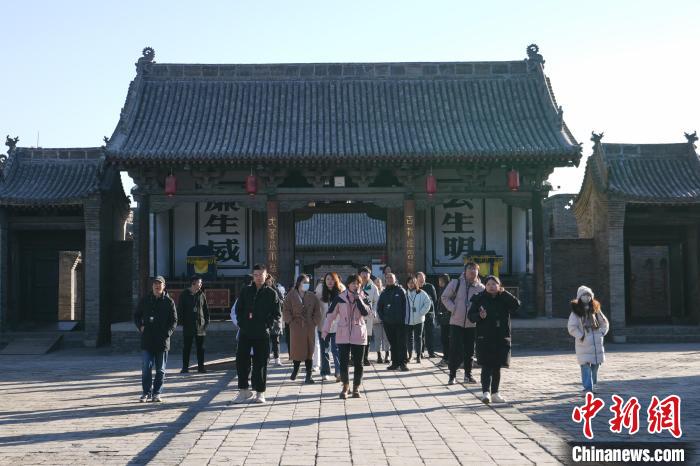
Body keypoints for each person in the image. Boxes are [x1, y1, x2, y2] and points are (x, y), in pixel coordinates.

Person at [233, 264, 282, 404]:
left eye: (261, 274)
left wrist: (268, 324)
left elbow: (277, 314)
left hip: (262, 333)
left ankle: (260, 392)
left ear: (266, 276)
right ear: (253, 276)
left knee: (260, 363)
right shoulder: (246, 290)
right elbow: (238, 309)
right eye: (256, 275)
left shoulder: (271, 293)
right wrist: (242, 323)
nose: (258, 277)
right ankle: (243, 390)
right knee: (241, 361)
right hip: (245, 331)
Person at [468, 275, 520, 404]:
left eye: (494, 284)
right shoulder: (479, 298)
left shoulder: (504, 297)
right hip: (484, 337)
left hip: (501, 336)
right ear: (485, 286)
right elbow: (471, 316)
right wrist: (479, 315)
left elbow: (516, 305)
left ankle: (495, 393)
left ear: (499, 285)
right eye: (488, 284)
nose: (491, 287)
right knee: (486, 365)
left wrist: (505, 293)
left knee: (497, 366)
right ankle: (486, 392)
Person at [322, 274, 371, 399]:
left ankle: (356, 387)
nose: (356, 285)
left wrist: (358, 299)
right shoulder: (340, 298)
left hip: (359, 333)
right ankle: (345, 386)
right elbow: (330, 315)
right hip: (343, 334)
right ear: (348, 284)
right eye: (353, 283)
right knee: (343, 362)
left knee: (359, 363)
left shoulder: (364, 296)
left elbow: (367, 312)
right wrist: (325, 331)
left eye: (358, 283)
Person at [134, 276, 178, 402]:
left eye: (160, 284)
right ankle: (146, 392)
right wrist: (140, 326)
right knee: (146, 368)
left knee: (160, 370)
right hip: (147, 340)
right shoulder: (145, 300)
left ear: (164, 286)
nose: (157, 286)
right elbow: (137, 315)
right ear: (152, 286)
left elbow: (174, 321)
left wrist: (167, 333)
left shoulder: (169, 302)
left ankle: (157, 393)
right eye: (155, 284)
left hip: (162, 341)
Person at [441, 262, 485, 385]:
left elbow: (483, 304)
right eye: (470, 268)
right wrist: (453, 308)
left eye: (475, 269)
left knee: (470, 350)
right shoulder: (456, 283)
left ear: (478, 272)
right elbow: (444, 297)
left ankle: (468, 375)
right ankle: (452, 375)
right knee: (455, 349)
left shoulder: (481, 288)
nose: (472, 271)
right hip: (456, 322)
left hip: (472, 323)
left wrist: (480, 313)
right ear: (465, 271)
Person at [567, 286, 609, 395]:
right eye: (584, 295)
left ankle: (592, 385)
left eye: (589, 295)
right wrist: (581, 336)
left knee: (595, 367)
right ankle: (587, 388)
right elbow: (572, 327)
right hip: (583, 345)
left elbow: (604, 323)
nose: (587, 297)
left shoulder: (596, 310)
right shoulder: (575, 312)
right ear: (580, 297)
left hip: (596, 344)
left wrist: (601, 333)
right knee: (585, 367)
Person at [283, 274, 322, 384]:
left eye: (308, 283)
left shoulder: (312, 296)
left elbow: (317, 311)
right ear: (298, 283)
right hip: (296, 326)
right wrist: (290, 321)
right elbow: (285, 310)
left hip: (309, 326)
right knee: (297, 349)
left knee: (310, 350)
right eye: (304, 282)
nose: (306, 284)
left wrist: (314, 322)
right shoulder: (291, 295)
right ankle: (296, 369)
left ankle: (309, 375)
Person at [377, 273, 409, 371]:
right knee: (393, 343)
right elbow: (379, 308)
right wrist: (384, 318)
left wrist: (404, 318)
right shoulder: (384, 292)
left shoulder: (401, 291)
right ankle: (395, 363)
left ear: (395, 279)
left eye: (391, 277)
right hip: (388, 323)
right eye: (387, 278)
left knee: (401, 343)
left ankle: (403, 363)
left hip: (400, 323)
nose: (389, 279)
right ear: (385, 280)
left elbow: (406, 306)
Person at [316, 272, 345, 382]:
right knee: (324, 350)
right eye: (328, 279)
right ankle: (325, 372)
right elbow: (315, 306)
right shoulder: (320, 291)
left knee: (336, 350)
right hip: (323, 326)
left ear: (336, 280)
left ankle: (339, 372)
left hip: (337, 326)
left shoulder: (341, 291)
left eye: (332, 279)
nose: (330, 281)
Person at [178, 275, 210, 374]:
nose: (201, 284)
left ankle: (201, 367)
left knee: (201, 348)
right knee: (186, 347)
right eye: (199, 283)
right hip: (188, 325)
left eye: (201, 283)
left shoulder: (201, 294)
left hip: (200, 325)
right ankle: (185, 367)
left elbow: (205, 309)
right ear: (193, 283)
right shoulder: (184, 294)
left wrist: (206, 322)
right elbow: (180, 309)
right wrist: (181, 322)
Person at [405, 275, 432, 363]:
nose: (411, 284)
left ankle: (418, 356)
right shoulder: (405, 294)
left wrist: (421, 313)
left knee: (418, 338)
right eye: (409, 283)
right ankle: (410, 355)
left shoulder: (421, 293)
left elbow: (428, 303)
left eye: (412, 283)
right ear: (407, 284)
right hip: (408, 320)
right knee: (409, 338)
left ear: (416, 283)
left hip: (419, 320)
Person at [358, 266, 380, 366]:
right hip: (356, 315)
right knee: (356, 337)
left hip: (368, 315)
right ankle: (355, 357)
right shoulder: (356, 285)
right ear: (359, 274)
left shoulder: (373, 287)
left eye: (367, 273)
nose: (365, 275)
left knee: (367, 337)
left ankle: (365, 358)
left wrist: (373, 311)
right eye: (363, 273)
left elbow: (376, 301)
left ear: (370, 275)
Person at [416, 272, 437, 358]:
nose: (422, 279)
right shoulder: (415, 287)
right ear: (416, 278)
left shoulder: (430, 286)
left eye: (423, 277)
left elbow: (434, 299)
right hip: (418, 314)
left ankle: (431, 352)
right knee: (420, 334)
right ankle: (420, 352)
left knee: (430, 334)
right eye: (420, 277)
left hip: (429, 314)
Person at [266, 274, 286, 366]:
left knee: (275, 340)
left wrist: (277, 302)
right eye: (266, 281)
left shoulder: (276, 291)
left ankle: (277, 358)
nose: (268, 283)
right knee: (265, 340)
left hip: (275, 319)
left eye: (269, 281)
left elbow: (282, 302)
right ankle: (266, 358)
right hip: (265, 319)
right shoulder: (262, 290)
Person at [371, 276, 390, 363]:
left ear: (382, 283)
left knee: (386, 337)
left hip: (385, 318)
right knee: (377, 338)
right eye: (376, 282)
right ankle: (379, 355)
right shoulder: (371, 292)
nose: (378, 284)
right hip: (376, 319)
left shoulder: (385, 292)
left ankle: (387, 354)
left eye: (379, 282)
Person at [435, 273, 451, 367]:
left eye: (440, 280)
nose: (439, 282)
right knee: (444, 339)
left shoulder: (448, 290)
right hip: (443, 318)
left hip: (448, 318)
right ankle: (446, 358)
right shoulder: (442, 289)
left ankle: (447, 358)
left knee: (446, 339)